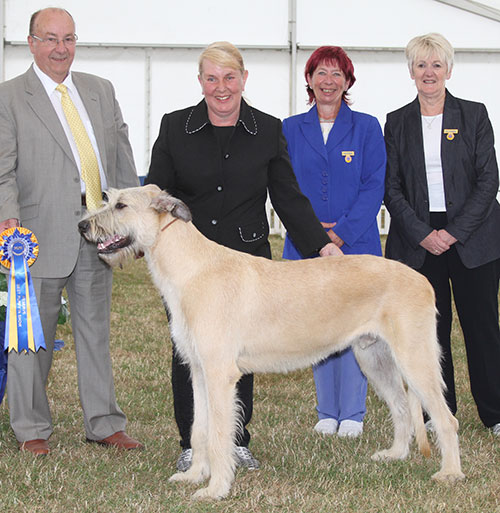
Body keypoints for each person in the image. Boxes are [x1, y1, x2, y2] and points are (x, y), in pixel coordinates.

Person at [145, 41, 341, 471]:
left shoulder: (268, 129)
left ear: (244, 80)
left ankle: (235, 440)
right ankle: (192, 443)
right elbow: (157, 195)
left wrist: (323, 248)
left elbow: (288, 198)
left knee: (239, 353)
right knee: (192, 353)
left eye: (229, 77)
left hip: (246, 258)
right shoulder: (175, 127)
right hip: (190, 266)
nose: (221, 87)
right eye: (211, 78)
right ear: (200, 82)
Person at [0, 7, 142, 455]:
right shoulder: (8, 97)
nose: (61, 48)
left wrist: (133, 222)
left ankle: (103, 423)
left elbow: (121, 159)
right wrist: (8, 218)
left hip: (99, 231)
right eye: (51, 39)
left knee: (95, 333)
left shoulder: (101, 91)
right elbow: (3, 170)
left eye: (68, 38)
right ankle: (31, 428)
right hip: (36, 234)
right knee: (30, 336)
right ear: (32, 42)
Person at [384, 33, 500, 436]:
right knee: (430, 333)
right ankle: (439, 412)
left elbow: (489, 182)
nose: (428, 72)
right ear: (411, 72)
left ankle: (495, 413)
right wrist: (424, 234)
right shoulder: (396, 122)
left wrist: (451, 232)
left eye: (436, 64)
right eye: (421, 65)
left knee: (482, 327)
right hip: (418, 242)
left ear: (448, 70)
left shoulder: (475, 115)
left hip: (474, 237)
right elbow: (391, 188)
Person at [282, 46, 386, 438]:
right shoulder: (289, 129)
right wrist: (313, 234)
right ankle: (327, 411)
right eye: (320, 73)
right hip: (305, 247)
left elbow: (374, 186)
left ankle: (354, 414)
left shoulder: (368, 127)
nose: (328, 81)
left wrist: (340, 231)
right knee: (318, 327)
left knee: (357, 327)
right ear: (308, 80)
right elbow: (285, 188)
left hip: (356, 245)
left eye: (336, 74)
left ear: (348, 82)